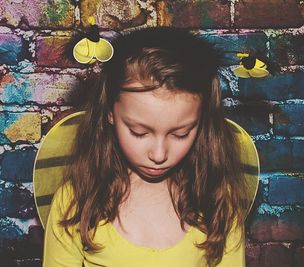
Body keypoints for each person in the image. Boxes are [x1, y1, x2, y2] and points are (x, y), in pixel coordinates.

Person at [43, 27, 250, 267]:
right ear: (109, 112)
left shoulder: (218, 200)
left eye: (181, 134)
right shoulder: (75, 201)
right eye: (138, 132)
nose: (159, 155)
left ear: (202, 121)